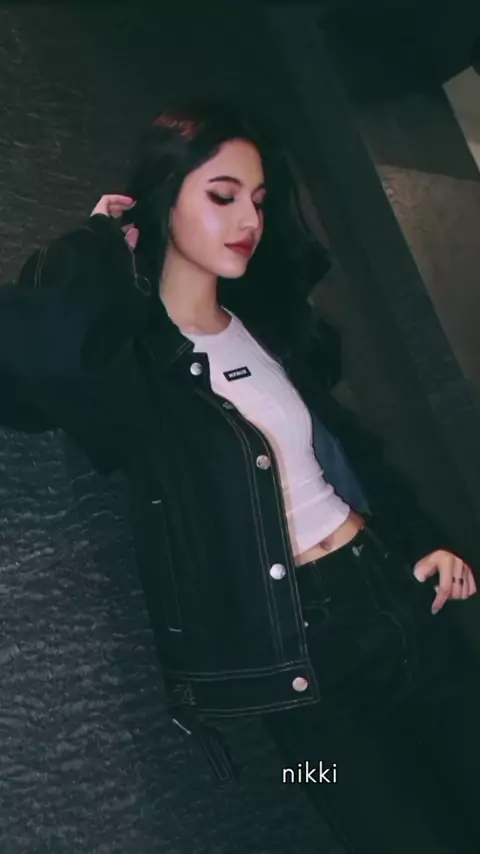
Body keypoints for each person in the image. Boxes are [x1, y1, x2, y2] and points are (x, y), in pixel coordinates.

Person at [1, 96, 480, 853]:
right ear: (164, 199)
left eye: (257, 200)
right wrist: (95, 246)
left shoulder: (265, 328)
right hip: (304, 667)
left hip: (397, 599)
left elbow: (353, 451)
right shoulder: (140, 363)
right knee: (387, 828)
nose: (249, 219)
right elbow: (33, 366)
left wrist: (422, 539)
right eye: (222, 196)